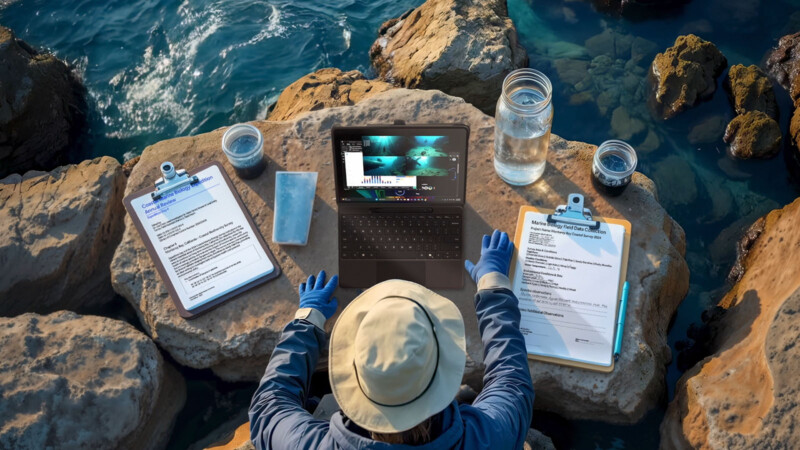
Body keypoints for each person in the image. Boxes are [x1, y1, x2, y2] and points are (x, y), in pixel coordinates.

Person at [249, 230, 535, 449]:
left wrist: (306, 322)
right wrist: (493, 285)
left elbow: (268, 407)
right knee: (468, 397)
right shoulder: (488, 437)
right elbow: (511, 381)